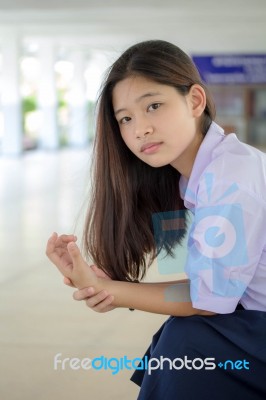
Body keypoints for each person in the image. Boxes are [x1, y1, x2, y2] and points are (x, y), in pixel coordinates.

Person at [46, 40, 266, 400]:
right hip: (251, 317)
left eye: (154, 106)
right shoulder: (183, 178)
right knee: (181, 337)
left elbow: (207, 301)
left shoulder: (229, 176)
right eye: (126, 119)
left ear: (195, 101)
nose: (140, 129)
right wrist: (108, 286)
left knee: (185, 341)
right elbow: (199, 285)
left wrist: (112, 292)